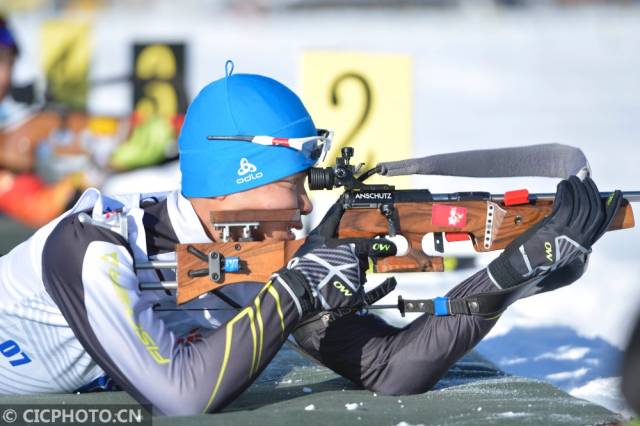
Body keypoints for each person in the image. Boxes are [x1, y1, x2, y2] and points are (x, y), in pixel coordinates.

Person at [0, 62, 621, 416]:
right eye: (291, 185)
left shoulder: (257, 254)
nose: (304, 206)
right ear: (235, 180)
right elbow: (181, 393)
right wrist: (294, 289)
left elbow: (389, 368)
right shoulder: (92, 246)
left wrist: (508, 278)